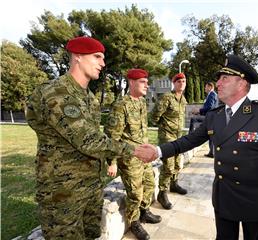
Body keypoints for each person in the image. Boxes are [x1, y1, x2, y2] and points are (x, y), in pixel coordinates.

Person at [140, 54, 258, 240]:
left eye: (224, 78)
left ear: (242, 84)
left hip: (255, 198)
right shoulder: (215, 116)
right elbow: (189, 141)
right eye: (219, 78)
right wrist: (158, 151)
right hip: (224, 196)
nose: (218, 83)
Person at [25, 36, 151, 239]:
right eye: (97, 57)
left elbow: (96, 138)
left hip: (91, 186)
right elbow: (89, 140)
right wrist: (134, 150)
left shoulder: (90, 99)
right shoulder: (55, 92)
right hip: (63, 192)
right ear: (78, 57)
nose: (103, 63)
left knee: (92, 234)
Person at [104, 69, 161, 240]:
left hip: (144, 156)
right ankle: (134, 222)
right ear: (131, 82)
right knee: (135, 193)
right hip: (129, 158)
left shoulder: (142, 102)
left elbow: (142, 130)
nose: (147, 85)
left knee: (149, 185)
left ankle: (144, 212)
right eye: (143, 82)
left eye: (146, 81)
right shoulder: (122, 105)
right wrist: (112, 161)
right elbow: (112, 135)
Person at [150, 72, 188, 210]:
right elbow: (154, 116)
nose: (182, 83)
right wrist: (164, 127)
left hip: (178, 136)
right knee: (168, 166)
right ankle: (162, 193)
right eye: (179, 81)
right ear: (174, 83)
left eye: (184, 81)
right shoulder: (167, 97)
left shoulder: (183, 99)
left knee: (178, 163)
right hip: (167, 137)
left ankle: (174, 184)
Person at [192, 81, 218, 157]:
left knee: (193, 120)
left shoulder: (212, 94)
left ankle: (191, 135)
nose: (204, 88)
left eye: (206, 87)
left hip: (211, 118)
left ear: (210, 87)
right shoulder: (211, 95)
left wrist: (199, 111)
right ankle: (212, 152)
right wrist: (199, 111)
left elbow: (210, 107)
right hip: (210, 117)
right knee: (210, 134)